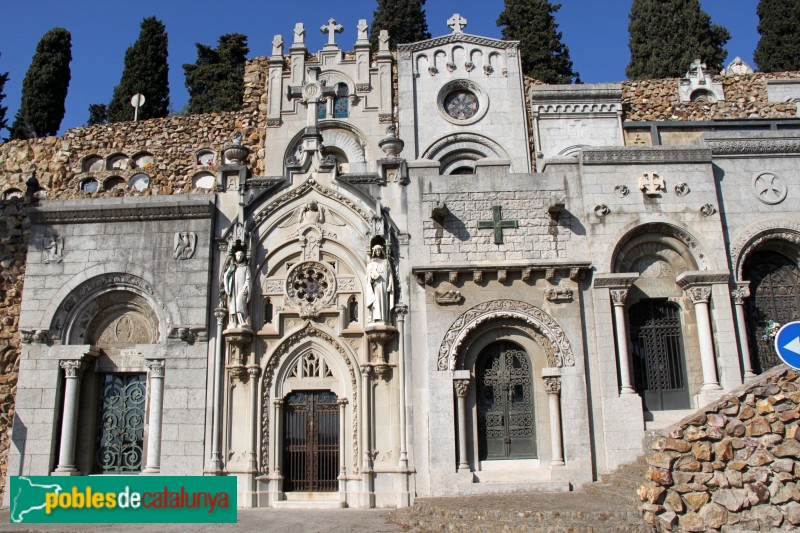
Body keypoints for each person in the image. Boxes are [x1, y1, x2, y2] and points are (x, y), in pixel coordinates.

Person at [365, 244, 394, 323]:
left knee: (384, 300)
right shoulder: (371, 263)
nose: (378, 252)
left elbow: (390, 274)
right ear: (374, 251)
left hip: (384, 283)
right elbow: (368, 275)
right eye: (376, 250)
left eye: (379, 250)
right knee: (376, 300)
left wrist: (390, 284)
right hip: (376, 284)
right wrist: (371, 277)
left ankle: (384, 318)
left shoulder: (386, 261)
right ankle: (376, 317)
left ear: (381, 251)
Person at [224, 249, 252, 328]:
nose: (239, 257)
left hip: (241, 290)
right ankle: (233, 322)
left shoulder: (246, 267)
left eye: (241, 256)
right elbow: (226, 276)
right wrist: (230, 272)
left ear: (243, 257)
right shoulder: (233, 266)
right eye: (237, 255)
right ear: (235, 256)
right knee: (233, 305)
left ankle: (242, 321)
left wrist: (245, 287)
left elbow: (248, 279)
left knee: (239, 303)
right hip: (233, 289)